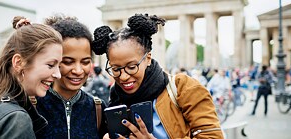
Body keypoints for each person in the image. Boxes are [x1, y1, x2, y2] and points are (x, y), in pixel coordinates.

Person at [92, 13, 223, 139]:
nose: (124, 77)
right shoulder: (115, 99)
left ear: (148, 58)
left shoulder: (184, 88)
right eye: (115, 69)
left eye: (132, 67)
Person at [0, 16, 63, 138]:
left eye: (59, 66)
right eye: (51, 65)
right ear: (19, 62)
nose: (58, 74)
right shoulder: (15, 120)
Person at [35, 14, 108, 139]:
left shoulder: (98, 108)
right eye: (68, 62)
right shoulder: (33, 106)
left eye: (85, 62)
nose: (78, 71)